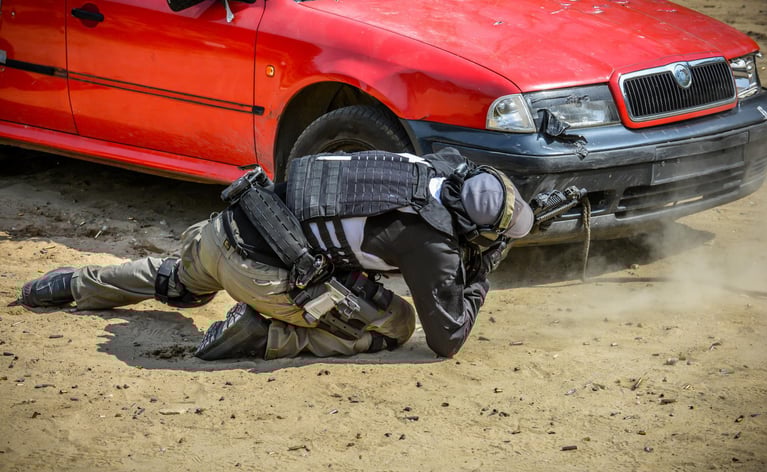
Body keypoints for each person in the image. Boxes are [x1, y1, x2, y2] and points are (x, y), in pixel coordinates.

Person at [17, 148, 534, 360]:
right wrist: (482, 275)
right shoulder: (429, 242)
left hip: (225, 226)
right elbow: (446, 339)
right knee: (395, 324)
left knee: (175, 280)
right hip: (259, 273)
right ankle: (269, 332)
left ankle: (72, 284)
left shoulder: (415, 165)